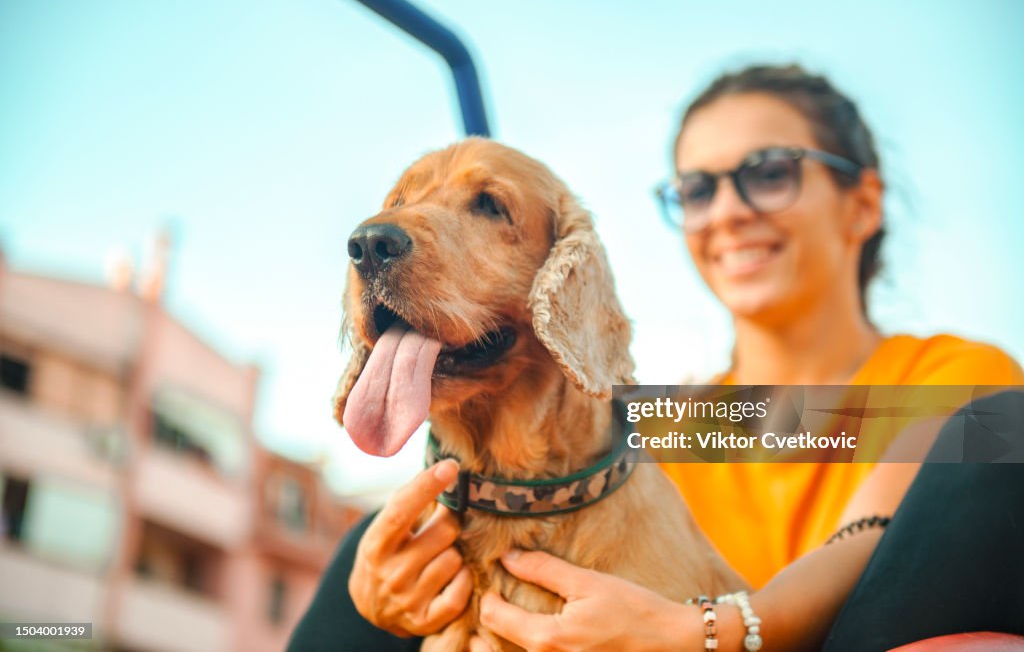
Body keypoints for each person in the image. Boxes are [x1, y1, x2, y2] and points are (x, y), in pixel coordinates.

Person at [288, 64, 1024, 651]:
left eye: (770, 172)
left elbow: (885, 519)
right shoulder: (658, 421)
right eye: (696, 189)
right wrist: (382, 604)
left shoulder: (956, 377)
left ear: (862, 204)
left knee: (996, 441)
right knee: (368, 560)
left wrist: (699, 633)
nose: (728, 210)